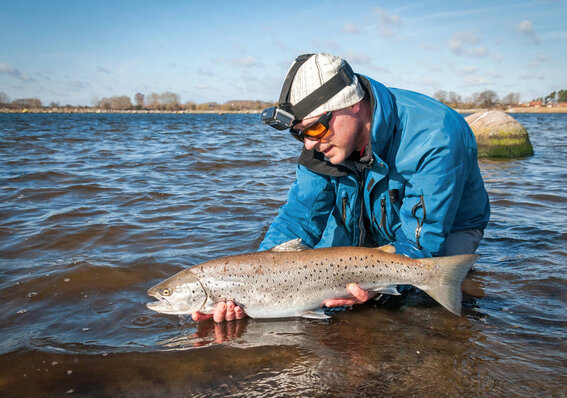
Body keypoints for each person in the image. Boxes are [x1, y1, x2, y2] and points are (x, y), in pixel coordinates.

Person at [193, 52, 490, 323]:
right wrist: (250, 285)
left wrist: (380, 286)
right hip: (362, 230)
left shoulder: (435, 136)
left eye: (314, 129)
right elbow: (298, 219)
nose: (309, 144)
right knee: (322, 301)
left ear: (352, 104)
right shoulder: (321, 143)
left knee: (414, 299)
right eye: (300, 135)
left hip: (447, 229)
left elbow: (423, 238)